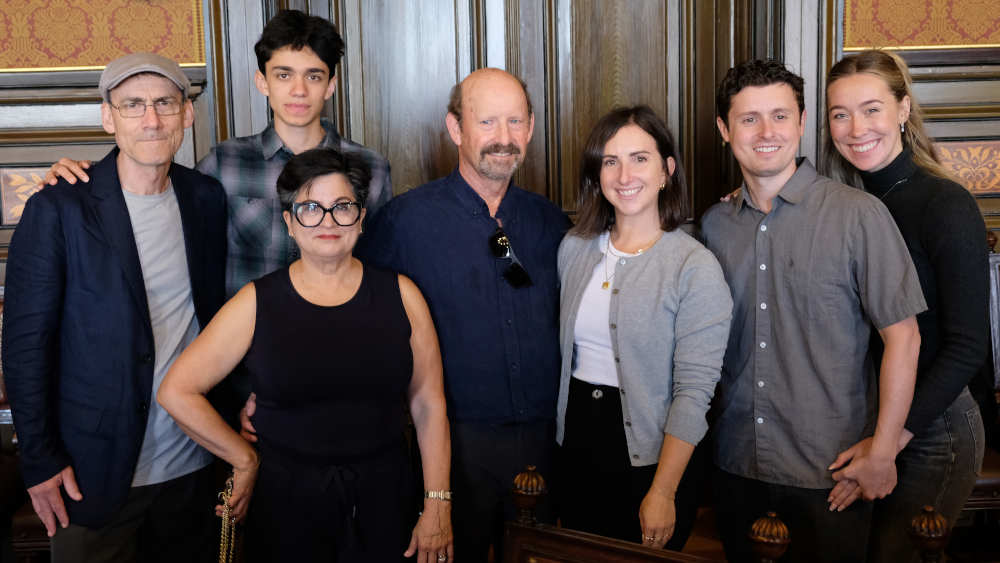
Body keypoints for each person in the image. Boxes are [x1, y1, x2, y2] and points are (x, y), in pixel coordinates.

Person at [43, 9, 393, 409]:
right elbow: (151, 192)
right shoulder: (223, 165)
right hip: (244, 376)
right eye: (283, 75)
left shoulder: (370, 167)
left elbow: (379, 275)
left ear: (331, 84)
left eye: (313, 76)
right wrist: (83, 175)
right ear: (262, 81)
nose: (298, 90)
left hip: (345, 365)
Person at [157, 147, 452, 562]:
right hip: (285, 510)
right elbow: (176, 391)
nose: (328, 221)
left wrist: (438, 502)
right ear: (289, 223)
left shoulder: (403, 296)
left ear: (361, 218)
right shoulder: (256, 302)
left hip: (387, 502)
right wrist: (243, 459)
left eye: (342, 207)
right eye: (310, 207)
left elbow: (428, 404)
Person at [2, 53, 227, 562]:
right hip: (91, 475)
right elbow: (24, 345)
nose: (152, 120)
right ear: (108, 117)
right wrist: (37, 460)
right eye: (133, 105)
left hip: (192, 463)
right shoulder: (59, 206)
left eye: (165, 103)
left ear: (187, 115)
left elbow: (216, 319)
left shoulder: (205, 198)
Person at [701, 59, 925, 563]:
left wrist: (883, 452)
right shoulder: (714, 225)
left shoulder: (858, 216)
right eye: (748, 119)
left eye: (780, 117)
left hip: (831, 472)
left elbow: (904, 339)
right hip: (737, 465)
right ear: (724, 129)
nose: (766, 133)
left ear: (802, 123)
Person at [355, 68, 572, 562]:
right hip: (452, 447)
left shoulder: (550, 222)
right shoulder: (405, 222)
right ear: (455, 129)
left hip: (544, 444)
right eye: (487, 122)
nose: (503, 138)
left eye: (515, 122)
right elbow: (361, 320)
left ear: (532, 128)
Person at [822, 49, 987, 563]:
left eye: (871, 108)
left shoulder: (944, 203)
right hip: (866, 417)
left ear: (902, 109)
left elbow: (967, 346)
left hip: (934, 426)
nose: (856, 128)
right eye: (840, 114)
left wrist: (888, 443)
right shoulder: (842, 203)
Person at [556, 106, 732, 549]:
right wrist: (499, 244)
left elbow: (694, 391)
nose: (623, 174)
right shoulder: (573, 248)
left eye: (640, 158)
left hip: (652, 458)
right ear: (597, 174)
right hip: (577, 445)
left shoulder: (694, 266)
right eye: (610, 161)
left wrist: (664, 490)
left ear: (666, 171)